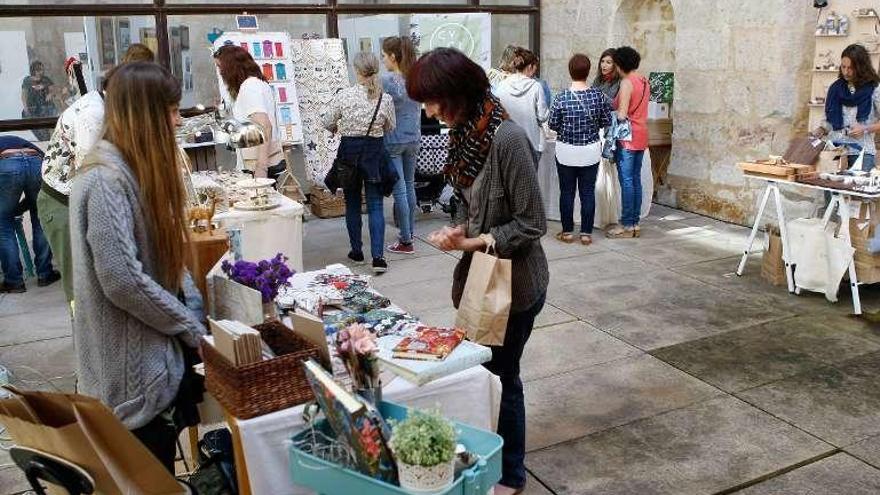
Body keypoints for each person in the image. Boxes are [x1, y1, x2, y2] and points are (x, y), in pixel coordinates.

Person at [408, 47, 548, 495]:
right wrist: (461, 229)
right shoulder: (466, 135)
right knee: (486, 375)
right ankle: (494, 457)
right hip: (484, 280)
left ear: (457, 93)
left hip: (516, 284)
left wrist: (473, 240)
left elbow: (532, 222)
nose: (429, 111)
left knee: (503, 377)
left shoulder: (506, 138)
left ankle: (511, 474)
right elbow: (480, 208)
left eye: (432, 100)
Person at [69, 62, 206, 471]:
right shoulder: (106, 179)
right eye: (172, 110)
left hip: (146, 371)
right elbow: (122, 279)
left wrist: (192, 306)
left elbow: (160, 257)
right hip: (131, 386)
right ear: (146, 114)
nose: (178, 121)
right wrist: (188, 325)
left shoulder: (126, 167)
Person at [39, 42, 155, 305]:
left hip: (80, 195)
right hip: (62, 202)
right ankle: (87, 343)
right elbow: (94, 177)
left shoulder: (111, 106)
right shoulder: (92, 115)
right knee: (82, 292)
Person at [323, 52, 396, 274]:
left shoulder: (344, 96)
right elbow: (390, 126)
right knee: (375, 205)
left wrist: (339, 127)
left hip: (349, 155)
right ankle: (378, 258)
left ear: (356, 71)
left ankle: (356, 251)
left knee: (352, 204)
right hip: (374, 154)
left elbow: (327, 121)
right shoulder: (385, 99)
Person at [548, 54, 612, 246]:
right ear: (588, 71)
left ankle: (567, 232)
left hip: (566, 150)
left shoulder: (562, 97)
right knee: (587, 193)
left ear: (570, 71)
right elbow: (606, 121)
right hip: (590, 150)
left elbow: (552, 124)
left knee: (566, 192)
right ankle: (585, 233)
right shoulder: (598, 95)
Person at [214, 45, 285, 180]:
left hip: (256, 164)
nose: (220, 72)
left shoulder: (250, 86)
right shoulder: (256, 83)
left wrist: (261, 167)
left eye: (220, 67)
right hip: (256, 162)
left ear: (230, 66)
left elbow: (265, 126)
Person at [0, 135, 60, 293]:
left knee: (3, 224)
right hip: (36, 160)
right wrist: (18, 209)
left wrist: (9, 211)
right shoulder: (17, 141)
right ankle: (45, 274)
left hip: (6, 160)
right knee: (40, 214)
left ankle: (13, 281)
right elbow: (36, 199)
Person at [813, 44, 880, 172]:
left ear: (861, 68)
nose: (846, 72)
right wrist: (819, 130)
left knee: (858, 191)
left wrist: (865, 128)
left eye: (851, 68)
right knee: (830, 189)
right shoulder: (835, 89)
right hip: (834, 150)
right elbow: (828, 123)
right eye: (843, 67)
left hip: (862, 151)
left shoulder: (874, 89)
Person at [382, 36, 421, 255]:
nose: (384, 61)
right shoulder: (415, 77)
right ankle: (409, 232)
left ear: (393, 56)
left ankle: (406, 240)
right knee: (409, 185)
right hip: (414, 136)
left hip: (394, 138)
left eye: (385, 56)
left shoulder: (387, 80)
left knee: (400, 191)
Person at [607, 46, 650, 239]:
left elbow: (622, 114)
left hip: (627, 137)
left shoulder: (626, 83)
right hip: (641, 134)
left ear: (619, 64)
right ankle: (635, 223)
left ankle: (626, 225)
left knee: (626, 181)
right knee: (635, 180)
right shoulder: (644, 80)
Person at [495, 47, 549, 165]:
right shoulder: (536, 86)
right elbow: (543, 116)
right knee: (529, 181)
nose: (535, 71)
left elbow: (497, 113)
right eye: (535, 67)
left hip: (507, 143)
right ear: (530, 66)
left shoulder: (502, 85)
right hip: (531, 143)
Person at [21, 61, 57, 140]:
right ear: (34, 71)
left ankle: (48, 138)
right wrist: (26, 108)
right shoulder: (27, 80)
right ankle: (43, 138)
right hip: (32, 108)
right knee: (31, 122)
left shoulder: (46, 79)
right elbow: (24, 95)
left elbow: (53, 90)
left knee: (50, 120)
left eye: (42, 70)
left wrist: (50, 94)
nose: (42, 72)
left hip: (45, 107)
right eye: (39, 70)